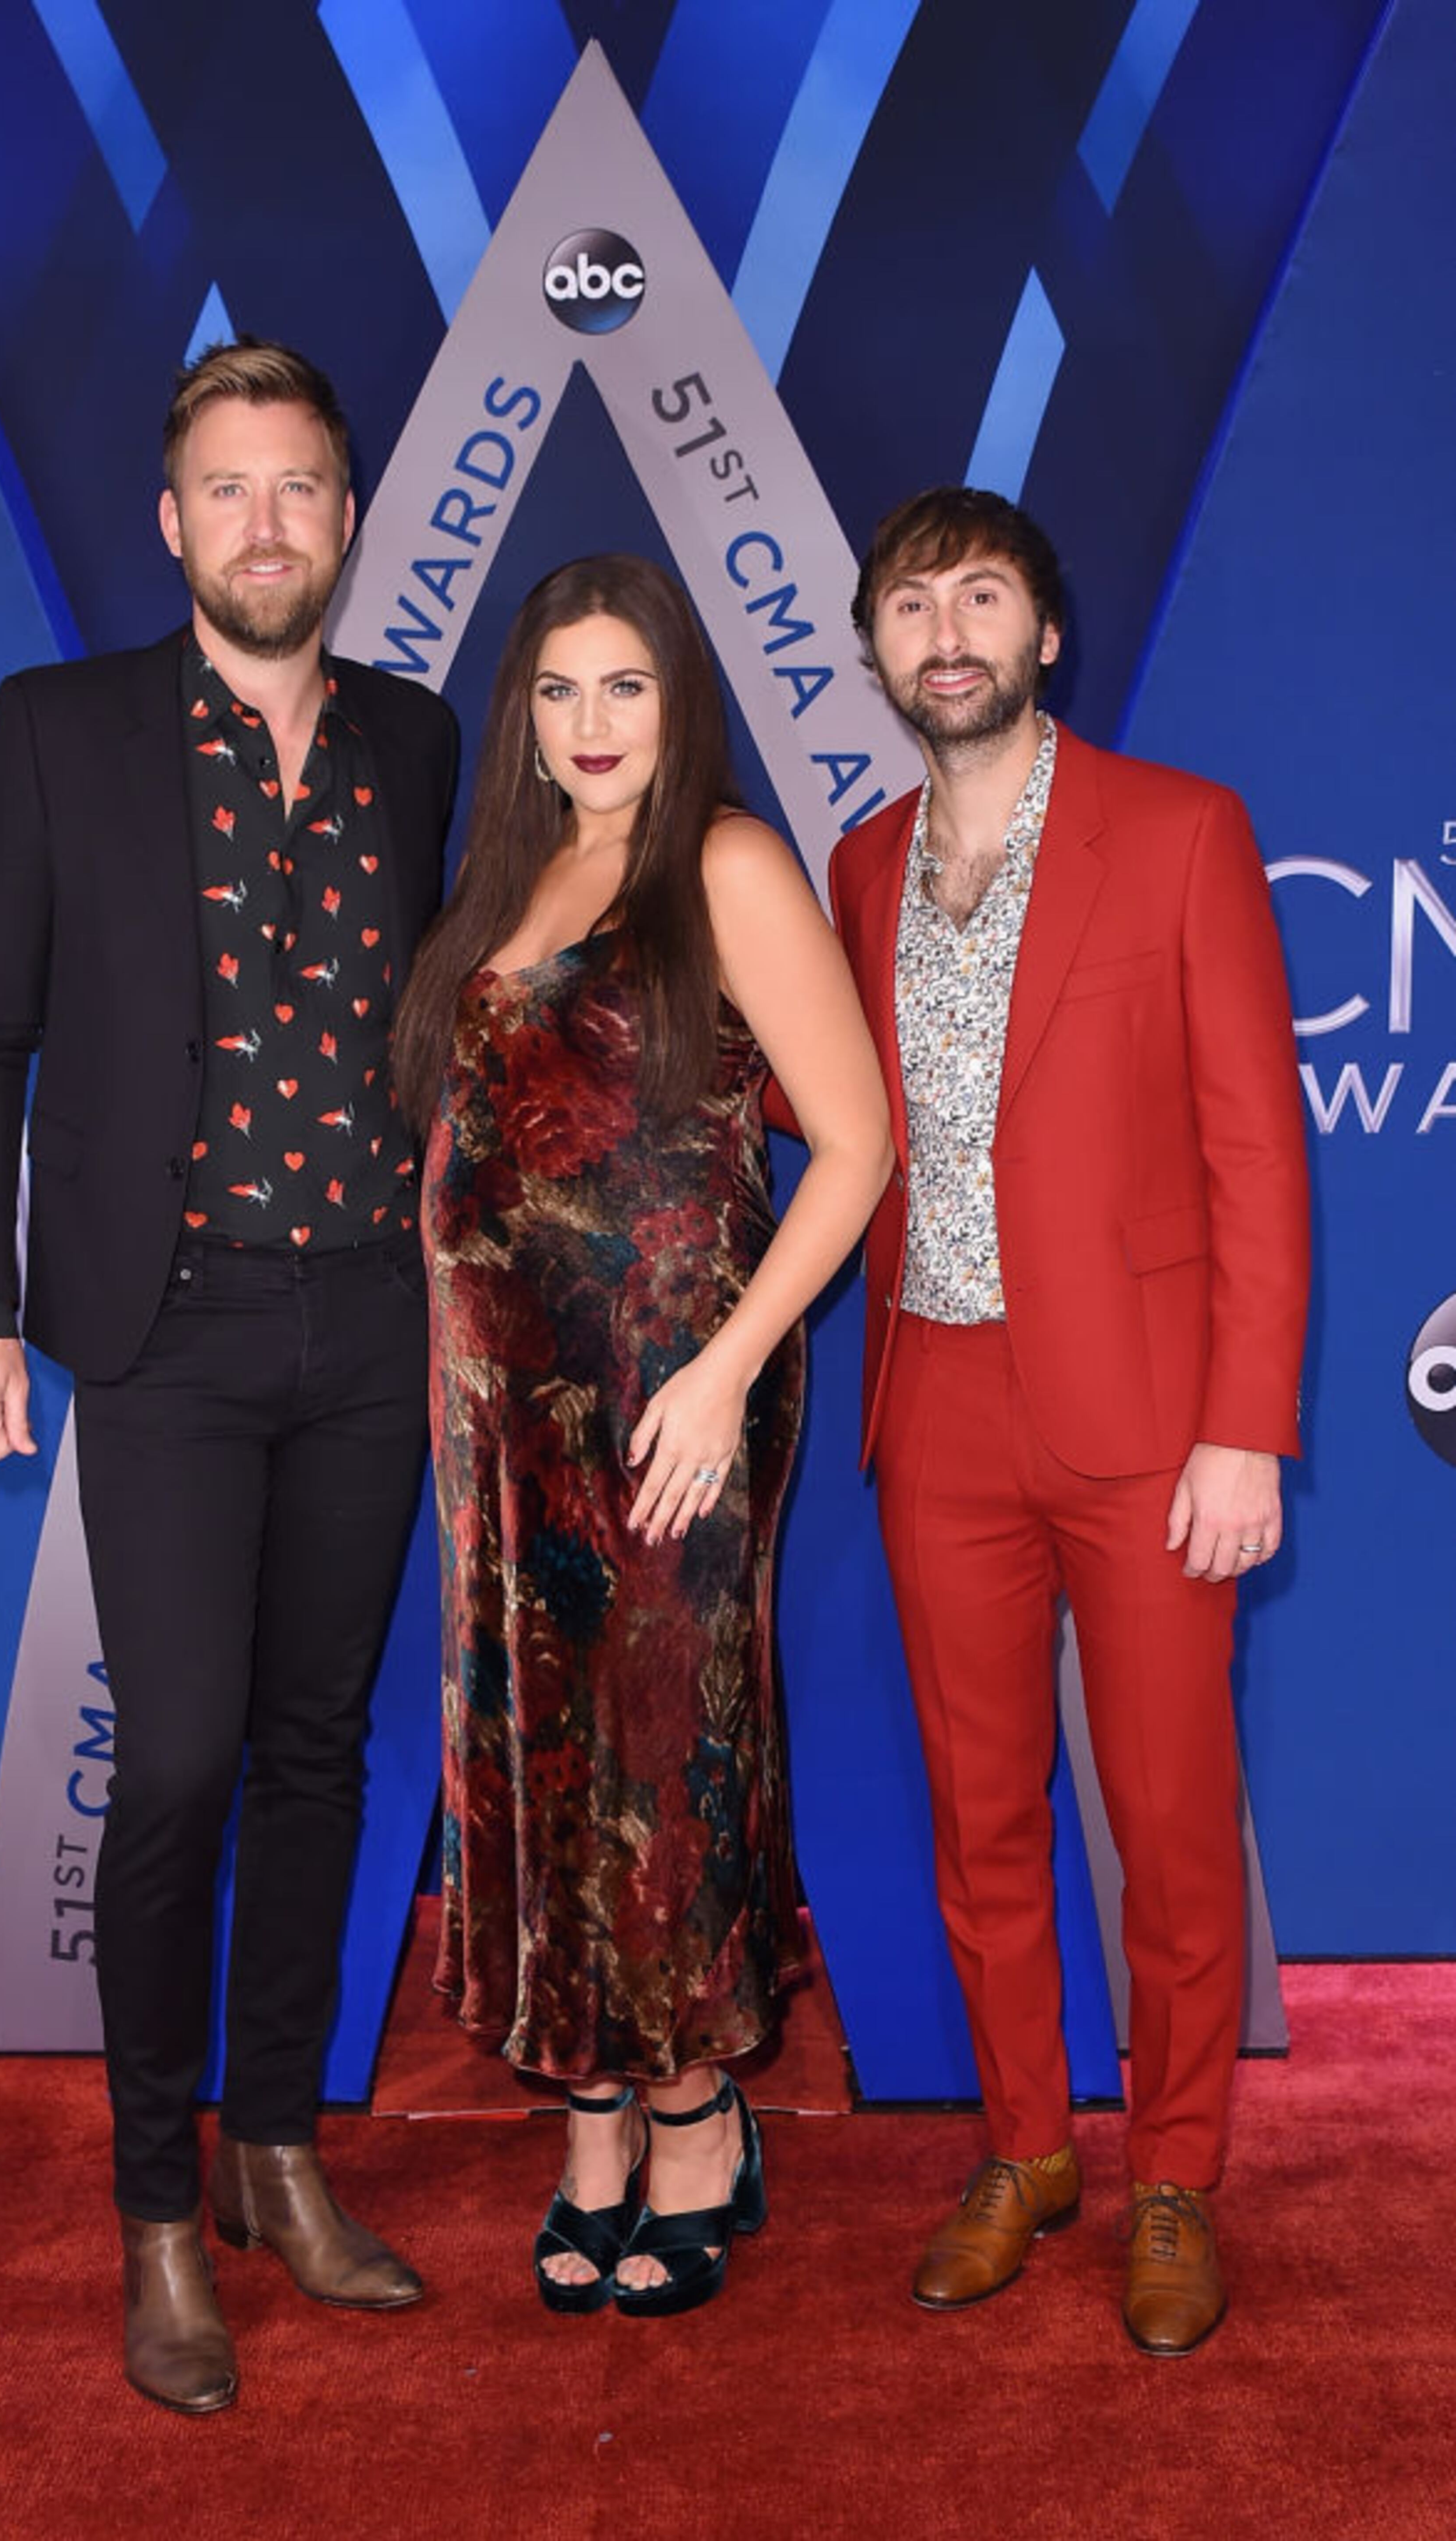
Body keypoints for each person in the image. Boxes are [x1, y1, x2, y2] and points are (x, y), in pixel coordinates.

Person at [0, 338, 458, 2412]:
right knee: (178, 1766)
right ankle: (161, 2211)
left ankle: (279, 2152)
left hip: (371, 1322)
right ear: (173, 522)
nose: (264, 524)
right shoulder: (57, 730)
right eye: (226, 490)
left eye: (300, 488)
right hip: (165, 1325)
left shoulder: (417, 745)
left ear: (345, 513)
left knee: (320, 1752)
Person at [830, 485, 1309, 2353]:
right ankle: (1027, 2151)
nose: (946, 631)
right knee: (979, 1815)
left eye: (981, 598)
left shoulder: (1180, 834)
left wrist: (1242, 1425)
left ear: (1045, 637)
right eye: (912, 605)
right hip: (934, 1397)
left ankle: (1171, 2174)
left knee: (1171, 1821)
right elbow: (833, 1111)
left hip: (1147, 1420)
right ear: (879, 650)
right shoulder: (861, 867)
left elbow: (1258, 1155)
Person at [392, 554, 890, 2318]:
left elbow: (853, 1143)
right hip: (498, 1422)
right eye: (558, 692)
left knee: (659, 1764)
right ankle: (590, 2114)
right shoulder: (516, 874)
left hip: (672, 1402)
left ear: (680, 703)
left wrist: (731, 1364)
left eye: (626, 689)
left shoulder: (728, 864)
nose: (590, 727)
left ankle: (698, 2116)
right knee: (527, 1758)